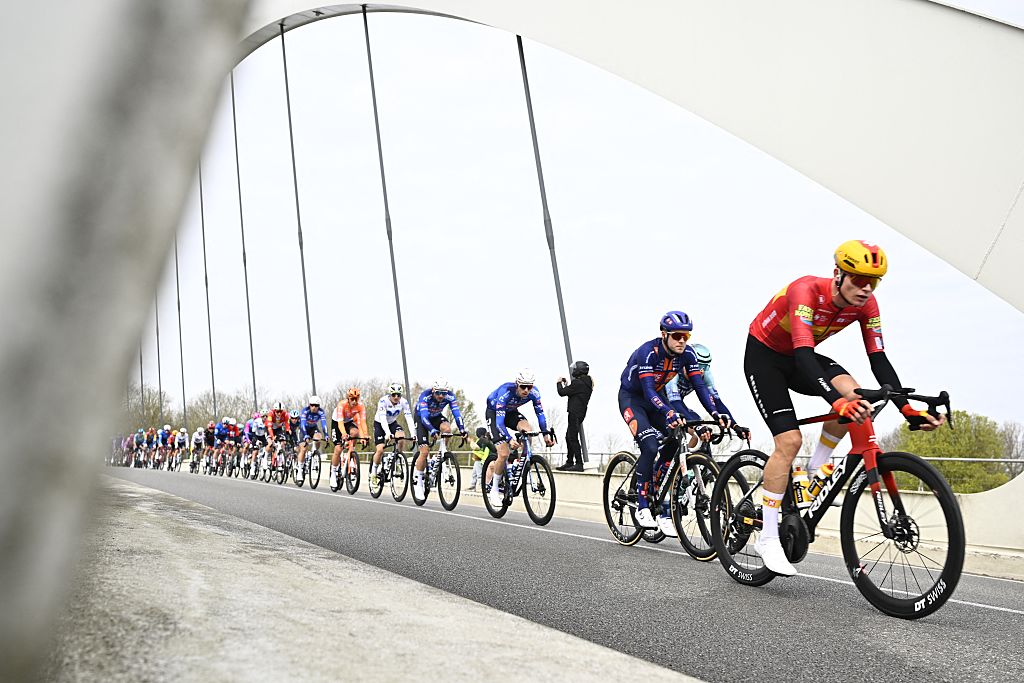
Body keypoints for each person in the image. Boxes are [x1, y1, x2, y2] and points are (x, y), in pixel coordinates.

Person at [745, 240, 943, 576]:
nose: (866, 288)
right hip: (766, 357)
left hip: (800, 357)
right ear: (838, 274)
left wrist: (906, 409)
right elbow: (805, 355)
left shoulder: (867, 305)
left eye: (873, 281)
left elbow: (878, 359)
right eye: (858, 279)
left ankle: (814, 473)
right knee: (790, 442)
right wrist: (834, 401)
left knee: (858, 400)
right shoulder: (805, 291)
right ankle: (766, 538)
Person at [619, 311, 731, 537]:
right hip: (633, 400)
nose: (682, 341)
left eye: (686, 336)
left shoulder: (688, 354)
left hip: (656, 400)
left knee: (673, 442)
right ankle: (642, 506)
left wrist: (718, 413)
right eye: (677, 336)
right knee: (650, 446)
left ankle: (661, 507)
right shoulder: (648, 352)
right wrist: (668, 410)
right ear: (664, 334)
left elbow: (701, 389)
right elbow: (649, 390)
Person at [483, 369, 555, 508]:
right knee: (503, 453)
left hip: (511, 412)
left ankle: (521, 461)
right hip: (494, 414)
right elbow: (499, 423)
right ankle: (494, 489)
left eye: (530, 386)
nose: (526, 390)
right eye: (523, 386)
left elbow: (540, 414)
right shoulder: (506, 391)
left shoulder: (534, 393)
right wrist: (509, 439)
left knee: (528, 429)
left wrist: (546, 435)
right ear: (517, 384)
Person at [413, 378, 467, 499]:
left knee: (447, 429)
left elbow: (456, 414)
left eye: (444, 393)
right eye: (438, 393)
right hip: (422, 418)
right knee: (425, 451)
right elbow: (424, 417)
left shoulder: (450, 397)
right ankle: (419, 482)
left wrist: (462, 429)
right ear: (433, 390)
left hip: (436, 417)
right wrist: (431, 430)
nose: (441, 396)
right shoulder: (425, 396)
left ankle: (441, 453)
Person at [370, 383, 414, 487]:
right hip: (380, 424)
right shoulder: (383, 401)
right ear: (390, 395)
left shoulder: (403, 402)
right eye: (394, 395)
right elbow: (383, 419)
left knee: (401, 437)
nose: (396, 397)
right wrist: (388, 433)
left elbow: (409, 418)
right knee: (380, 450)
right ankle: (374, 472)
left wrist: (413, 434)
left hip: (393, 423)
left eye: (398, 395)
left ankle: (397, 459)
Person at [555, 360, 593, 471]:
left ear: (578, 370)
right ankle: (569, 461)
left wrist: (558, 383)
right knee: (569, 437)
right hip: (580, 412)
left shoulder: (578, 383)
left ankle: (579, 463)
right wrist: (568, 385)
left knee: (572, 438)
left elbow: (561, 392)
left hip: (574, 412)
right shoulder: (586, 383)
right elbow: (573, 392)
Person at [330, 388, 368, 491]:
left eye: (356, 399)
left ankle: (350, 452)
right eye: (352, 399)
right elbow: (340, 423)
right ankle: (333, 472)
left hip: (349, 422)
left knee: (355, 433)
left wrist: (365, 435)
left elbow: (362, 422)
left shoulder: (360, 406)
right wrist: (343, 434)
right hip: (337, 423)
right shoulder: (341, 405)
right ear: (348, 398)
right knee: (338, 449)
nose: (354, 401)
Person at [296, 396, 327, 483]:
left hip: (313, 428)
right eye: (312, 405)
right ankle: (300, 469)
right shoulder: (305, 411)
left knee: (318, 438)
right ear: (309, 405)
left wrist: (327, 435)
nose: (314, 407)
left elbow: (324, 424)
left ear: (319, 406)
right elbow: (302, 424)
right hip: (303, 429)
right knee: (304, 448)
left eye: (316, 405)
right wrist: (305, 435)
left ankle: (314, 453)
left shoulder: (321, 412)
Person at [467, 426, 495, 491]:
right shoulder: (484, 439)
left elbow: (475, 447)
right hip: (478, 459)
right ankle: (472, 485)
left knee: (479, 474)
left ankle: (481, 487)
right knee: (474, 474)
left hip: (480, 459)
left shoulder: (481, 440)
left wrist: (471, 441)